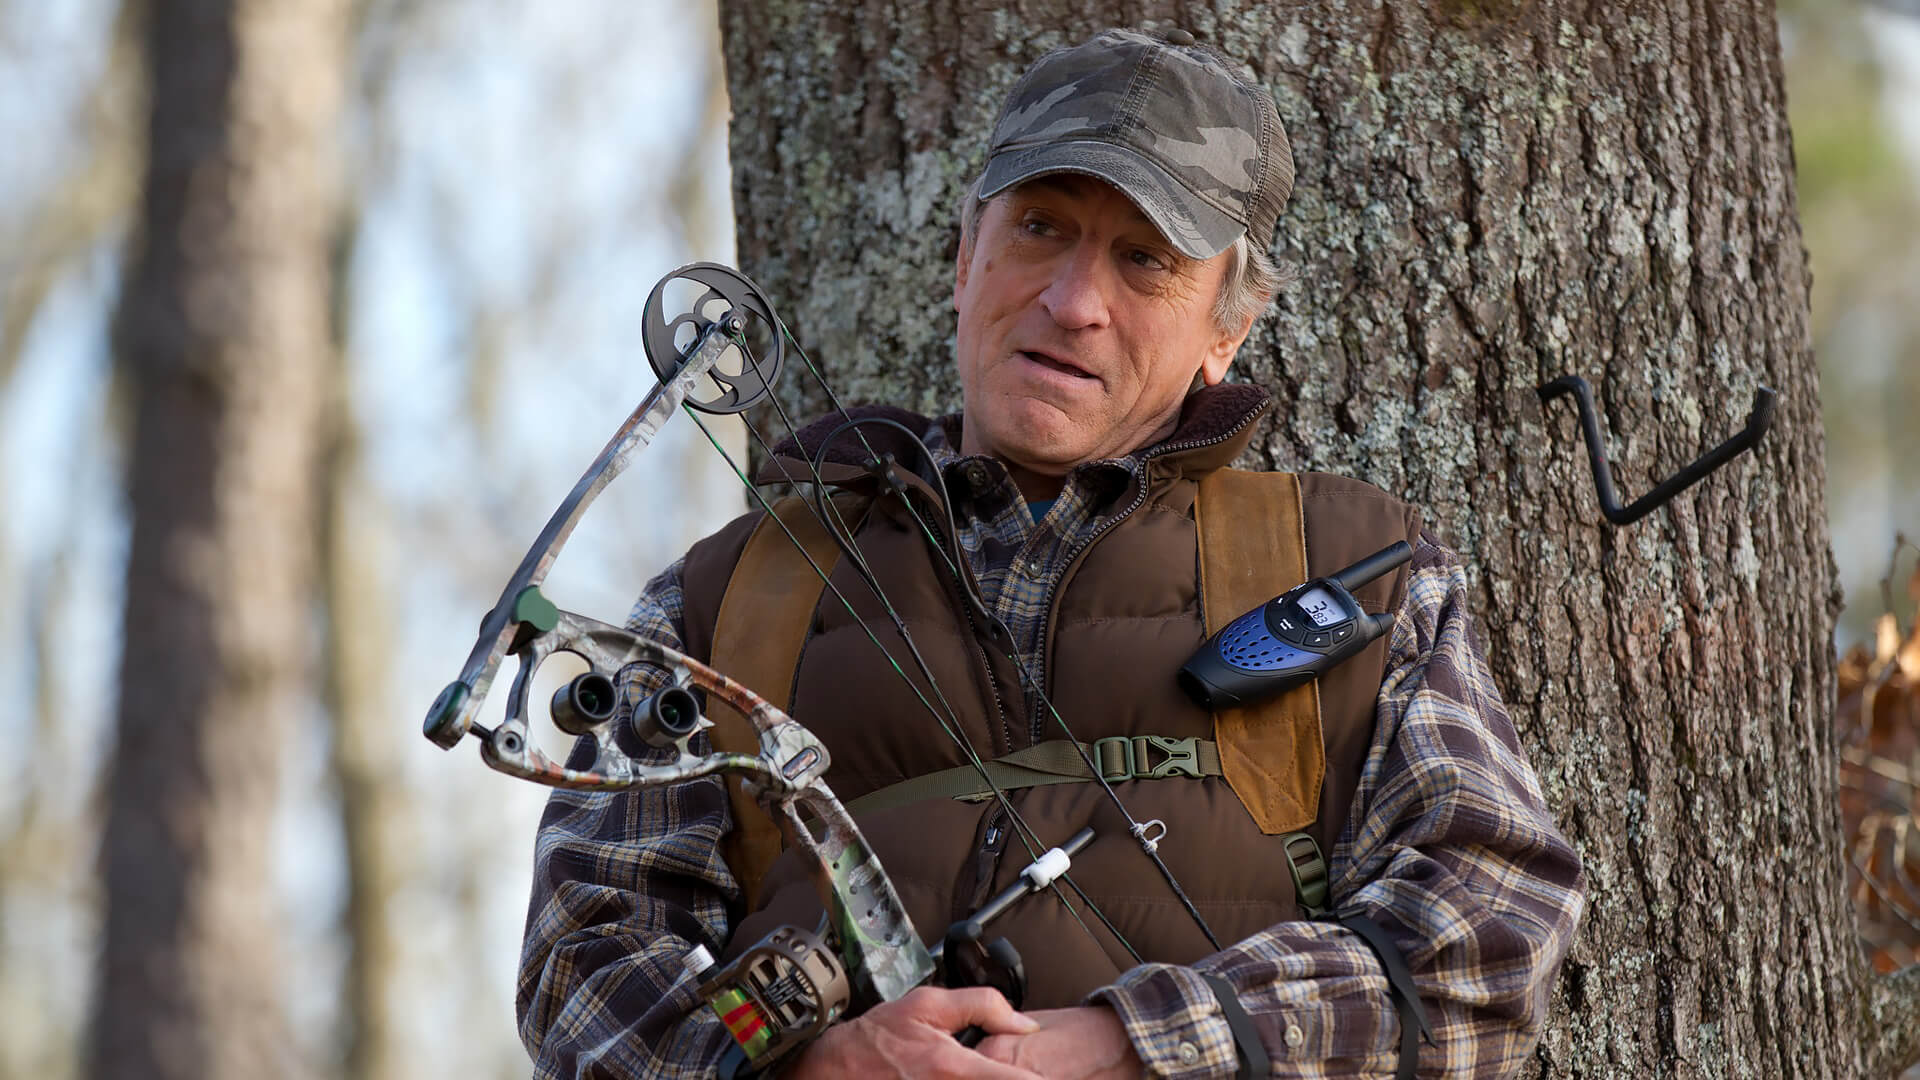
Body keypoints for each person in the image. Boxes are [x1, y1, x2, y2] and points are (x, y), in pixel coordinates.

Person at [518, 27, 1584, 1079]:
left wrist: (1133, 1046)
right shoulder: (730, 596)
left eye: (1145, 260)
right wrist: (817, 1068)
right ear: (965, 259)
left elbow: (1489, 931)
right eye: (1039, 227)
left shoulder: (1355, 569)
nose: (1074, 303)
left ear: (1228, 331)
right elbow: (582, 971)